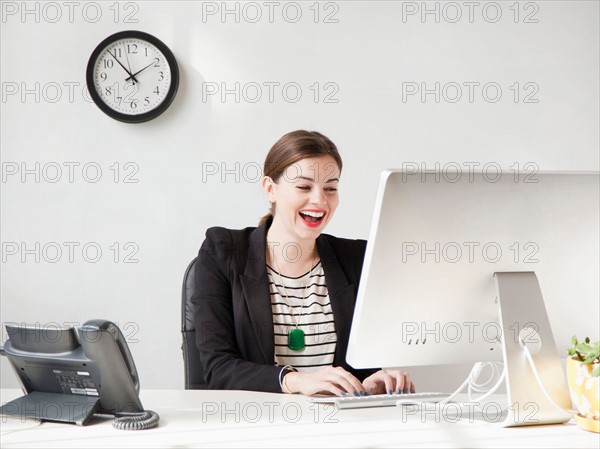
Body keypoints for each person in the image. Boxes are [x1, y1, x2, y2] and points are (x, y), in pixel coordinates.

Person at [192, 130, 415, 396]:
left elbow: (361, 365)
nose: (320, 200)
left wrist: (374, 380)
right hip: (258, 423)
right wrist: (296, 380)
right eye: (304, 187)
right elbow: (218, 370)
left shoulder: (356, 258)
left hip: (338, 424)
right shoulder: (222, 251)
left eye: (331, 188)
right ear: (270, 189)